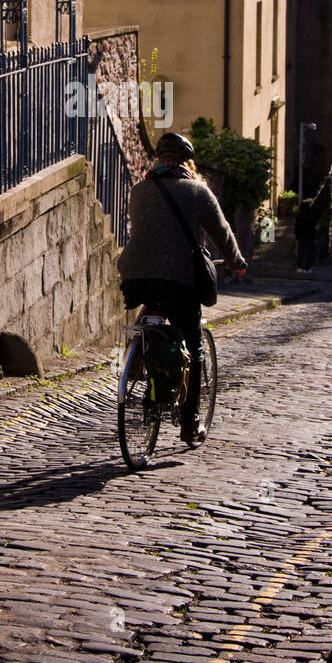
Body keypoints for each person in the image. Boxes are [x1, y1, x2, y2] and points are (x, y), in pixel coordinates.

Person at [117, 132, 246, 446]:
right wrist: (237, 262)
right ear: (188, 161)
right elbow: (221, 232)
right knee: (194, 342)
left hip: (137, 275)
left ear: (160, 160)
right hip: (180, 279)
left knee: (152, 320)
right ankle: (190, 422)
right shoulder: (197, 191)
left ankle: (140, 366)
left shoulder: (139, 190)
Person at [294, 171, 332, 273]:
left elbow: (297, 225)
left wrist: (297, 234)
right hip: (308, 236)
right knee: (308, 252)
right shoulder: (311, 215)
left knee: (301, 252)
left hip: (301, 235)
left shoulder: (300, 215)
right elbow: (313, 226)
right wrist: (313, 236)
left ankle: (299, 267)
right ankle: (306, 268)